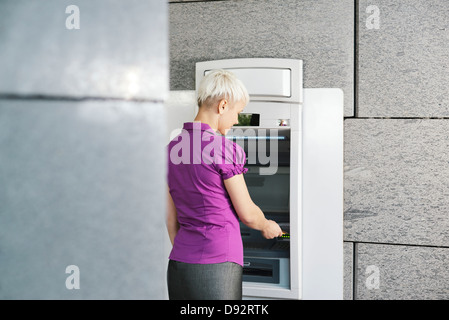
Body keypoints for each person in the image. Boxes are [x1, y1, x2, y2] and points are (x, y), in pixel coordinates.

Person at [166, 69, 283, 300]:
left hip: (179, 263)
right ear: (222, 106)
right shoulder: (225, 150)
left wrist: (189, 250)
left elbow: (171, 218)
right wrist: (267, 225)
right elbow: (248, 214)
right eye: (237, 111)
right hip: (219, 261)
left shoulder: (170, 150)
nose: (237, 119)